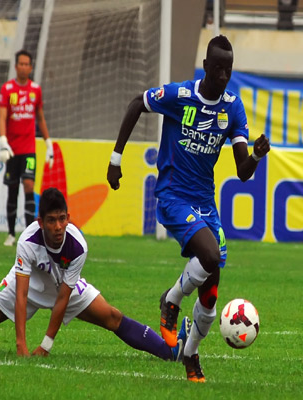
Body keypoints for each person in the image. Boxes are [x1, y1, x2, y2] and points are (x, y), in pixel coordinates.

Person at [107, 35, 270, 382]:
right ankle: (172, 297)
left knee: (211, 294)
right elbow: (137, 103)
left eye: (229, 70)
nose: (224, 76)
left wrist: (255, 154)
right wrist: (116, 158)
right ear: (206, 66)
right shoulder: (180, 96)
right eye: (218, 69)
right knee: (210, 255)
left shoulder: (232, 108)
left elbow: (243, 172)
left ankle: (191, 354)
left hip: (205, 202)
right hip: (173, 196)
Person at [0, 188, 190, 365]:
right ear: (41, 221)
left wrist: (46, 345)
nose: (58, 226)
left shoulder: (78, 246)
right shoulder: (28, 240)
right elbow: (22, 295)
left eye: (62, 218)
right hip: (28, 283)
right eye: (51, 220)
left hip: (62, 285)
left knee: (112, 316)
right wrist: (22, 346)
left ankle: (171, 352)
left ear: (68, 217)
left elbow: (64, 296)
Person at [0, 49, 54, 247]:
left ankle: (30, 234)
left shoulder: (35, 90)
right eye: (20, 64)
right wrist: (3, 140)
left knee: (29, 185)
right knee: (12, 189)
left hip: (29, 148)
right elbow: (3, 116)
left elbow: (40, 117)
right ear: (16, 67)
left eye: (26, 64)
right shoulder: (7, 89)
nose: (23, 67)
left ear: (30, 67)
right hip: (12, 150)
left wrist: (48, 143)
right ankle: (11, 233)